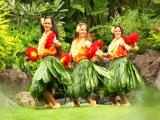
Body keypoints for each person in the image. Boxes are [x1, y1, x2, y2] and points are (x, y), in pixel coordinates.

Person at [29, 16, 72, 108]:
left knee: (40, 82)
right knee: (46, 83)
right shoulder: (43, 35)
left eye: (49, 23)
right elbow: (41, 50)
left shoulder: (51, 35)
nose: (47, 25)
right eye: (45, 23)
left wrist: (59, 45)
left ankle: (55, 104)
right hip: (44, 60)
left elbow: (58, 46)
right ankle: (49, 103)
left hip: (50, 61)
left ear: (52, 25)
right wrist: (30, 57)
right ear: (43, 24)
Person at [68, 23, 111, 107]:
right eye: (81, 29)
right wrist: (66, 62)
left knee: (79, 85)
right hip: (77, 65)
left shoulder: (87, 42)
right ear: (78, 30)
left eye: (85, 30)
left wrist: (104, 54)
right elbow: (70, 54)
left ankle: (91, 102)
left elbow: (96, 51)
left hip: (84, 65)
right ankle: (78, 103)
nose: (83, 31)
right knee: (72, 85)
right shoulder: (74, 42)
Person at [102, 25, 143, 106]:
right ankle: (115, 104)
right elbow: (109, 54)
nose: (117, 32)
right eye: (116, 31)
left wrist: (132, 46)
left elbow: (132, 48)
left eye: (119, 31)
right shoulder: (112, 42)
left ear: (121, 32)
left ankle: (126, 103)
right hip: (113, 63)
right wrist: (101, 54)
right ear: (113, 32)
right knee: (108, 84)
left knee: (118, 84)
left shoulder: (122, 40)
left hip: (121, 62)